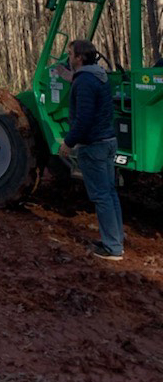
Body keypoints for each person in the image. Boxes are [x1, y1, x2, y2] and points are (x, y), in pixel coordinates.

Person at [58, 38, 123, 261]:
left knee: (101, 196)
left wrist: (68, 142)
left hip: (93, 146)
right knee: (110, 193)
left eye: (70, 54)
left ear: (80, 57)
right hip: (107, 141)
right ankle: (115, 241)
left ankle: (112, 248)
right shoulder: (98, 76)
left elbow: (83, 118)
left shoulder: (84, 82)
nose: (68, 57)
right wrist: (70, 77)